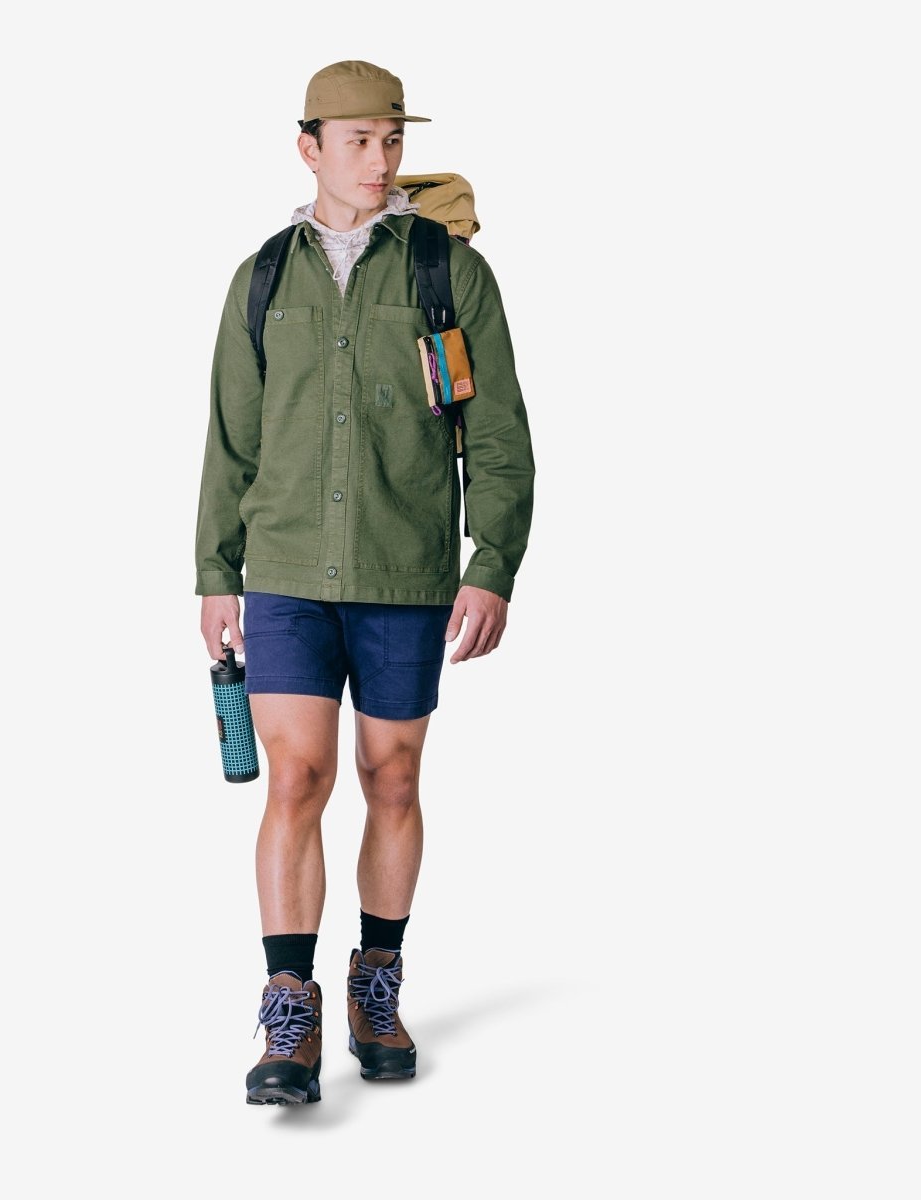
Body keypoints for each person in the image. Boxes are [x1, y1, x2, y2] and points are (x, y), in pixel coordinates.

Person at [194, 60, 535, 1106]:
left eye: (392, 140)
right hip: (287, 571)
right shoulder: (262, 278)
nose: (379, 160)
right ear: (309, 148)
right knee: (296, 780)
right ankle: (287, 1009)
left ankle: (375, 986)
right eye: (357, 141)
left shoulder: (448, 273)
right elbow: (230, 439)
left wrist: (491, 564)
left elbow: (497, 433)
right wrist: (214, 572)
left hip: (404, 571)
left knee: (392, 778)